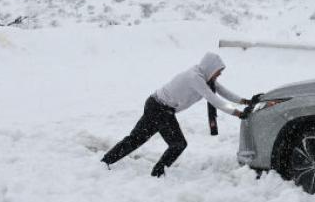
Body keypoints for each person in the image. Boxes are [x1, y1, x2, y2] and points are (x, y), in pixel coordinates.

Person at [102, 52, 250, 177]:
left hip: (157, 105)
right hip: (160, 108)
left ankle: (107, 161)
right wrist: (238, 113)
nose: (220, 74)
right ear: (210, 68)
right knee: (177, 144)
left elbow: (223, 92)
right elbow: (214, 99)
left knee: (137, 138)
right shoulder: (195, 78)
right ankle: (157, 173)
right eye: (219, 70)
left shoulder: (204, 77)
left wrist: (244, 101)